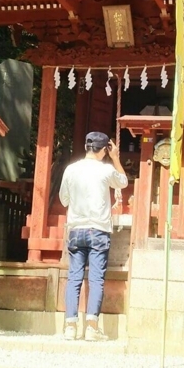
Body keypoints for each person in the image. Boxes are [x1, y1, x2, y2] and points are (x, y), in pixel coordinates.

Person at [58, 131, 128, 341]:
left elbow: (63, 199)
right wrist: (116, 158)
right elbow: (123, 182)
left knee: (74, 277)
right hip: (98, 229)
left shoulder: (71, 170)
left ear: (87, 146)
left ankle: (70, 326)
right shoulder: (106, 170)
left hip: (76, 229)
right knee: (96, 278)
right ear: (105, 149)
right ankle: (91, 328)